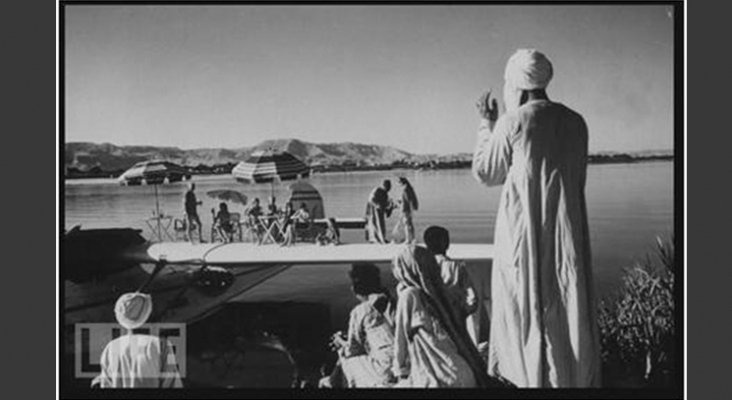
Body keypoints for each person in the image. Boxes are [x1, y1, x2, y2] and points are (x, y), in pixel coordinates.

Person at [471, 49, 601, 387]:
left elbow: (487, 172)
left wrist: (486, 125)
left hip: (523, 232)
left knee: (525, 300)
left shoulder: (513, 121)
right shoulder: (576, 121)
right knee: (565, 296)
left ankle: (531, 377)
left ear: (515, 83)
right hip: (566, 229)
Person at [391, 245, 497, 388]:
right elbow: (470, 306)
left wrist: (399, 371)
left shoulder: (409, 295)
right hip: (464, 372)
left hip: (438, 377)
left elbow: (401, 339)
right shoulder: (442, 294)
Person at [320, 263, 396, 388]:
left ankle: (330, 383)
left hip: (384, 368)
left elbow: (353, 350)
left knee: (345, 360)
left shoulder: (361, 310)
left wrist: (340, 343)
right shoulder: (392, 303)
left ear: (355, 288)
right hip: (401, 361)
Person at [92, 292, 183, 388]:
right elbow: (171, 383)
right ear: (147, 315)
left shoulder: (111, 347)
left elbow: (106, 384)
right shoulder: (161, 345)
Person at [423, 226, 480, 346]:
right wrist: (463, 311)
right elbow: (472, 297)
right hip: (454, 318)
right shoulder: (456, 267)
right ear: (444, 243)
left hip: (430, 320)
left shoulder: (421, 268)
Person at [365, 180, 395, 244]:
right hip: (372, 212)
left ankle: (382, 238)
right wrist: (377, 205)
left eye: (390, 187)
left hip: (380, 214)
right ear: (384, 185)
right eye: (388, 186)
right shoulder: (376, 190)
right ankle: (375, 240)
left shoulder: (385, 195)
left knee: (381, 225)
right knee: (374, 225)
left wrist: (391, 207)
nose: (389, 188)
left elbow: (386, 210)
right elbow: (371, 199)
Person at [391, 177, 419, 244]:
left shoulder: (405, 190)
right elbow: (407, 200)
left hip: (406, 210)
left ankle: (408, 239)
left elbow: (408, 201)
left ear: (401, 183)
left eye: (398, 183)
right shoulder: (409, 189)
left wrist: (408, 211)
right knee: (409, 225)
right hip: (407, 209)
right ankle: (412, 238)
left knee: (407, 225)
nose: (398, 185)